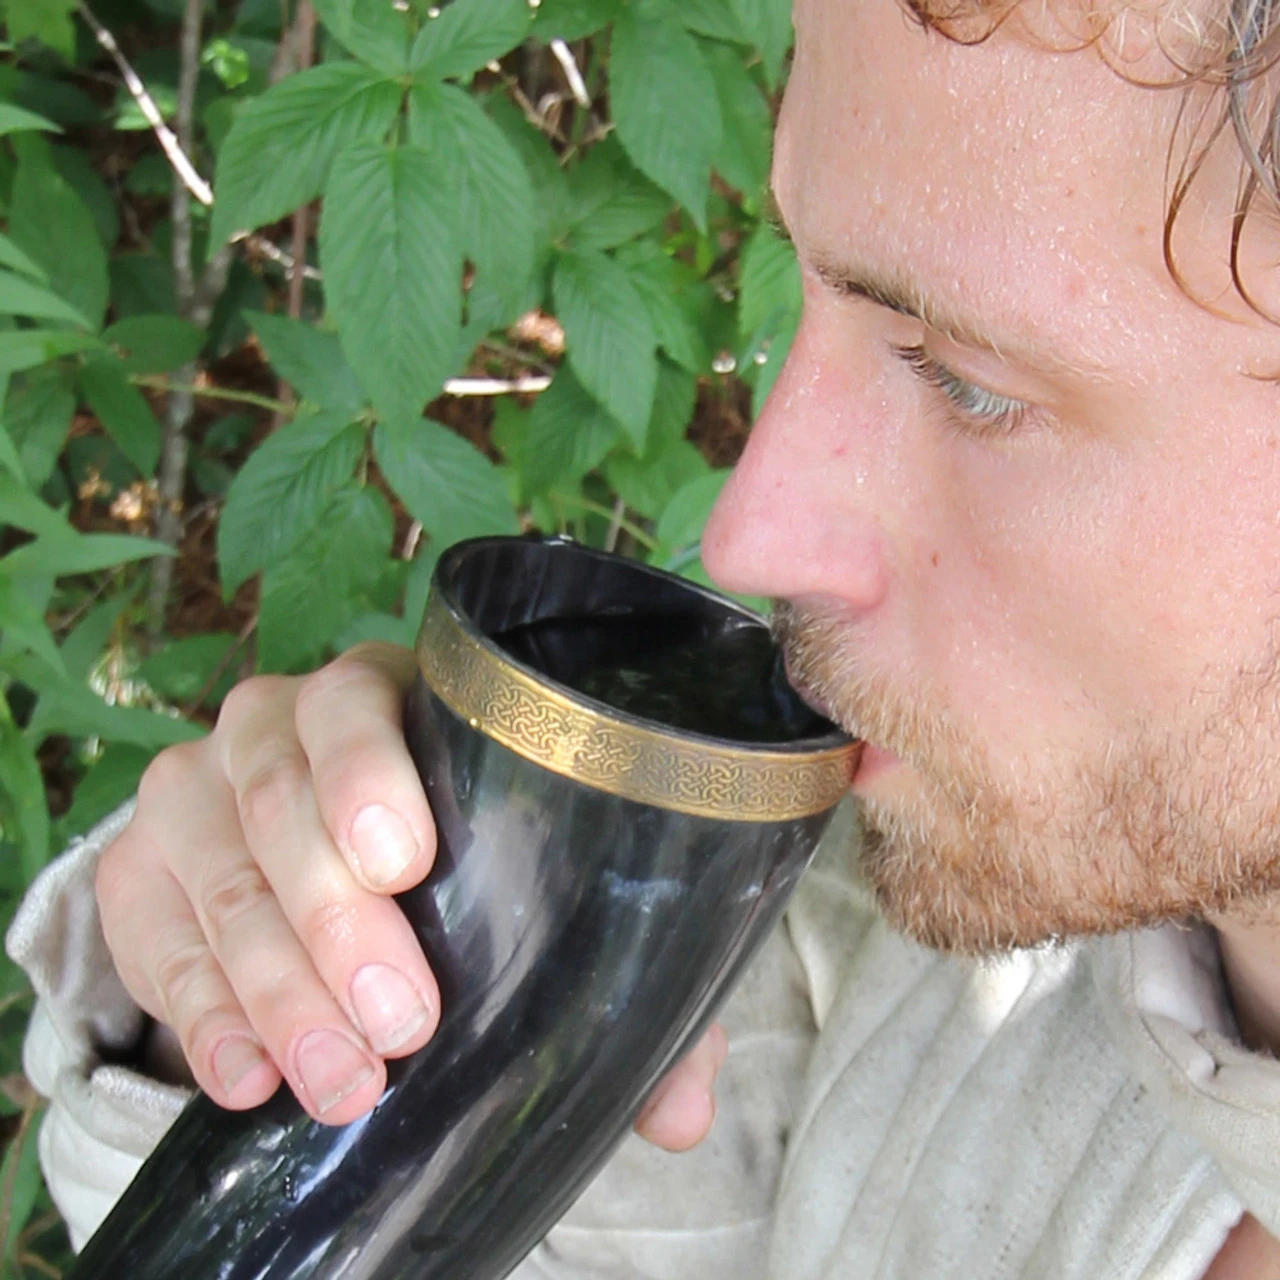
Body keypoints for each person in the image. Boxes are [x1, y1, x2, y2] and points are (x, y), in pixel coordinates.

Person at [14, 0, 1280, 1270]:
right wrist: (272, 1015)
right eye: (794, 285)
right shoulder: (885, 943)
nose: (747, 531)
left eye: (969, 384)